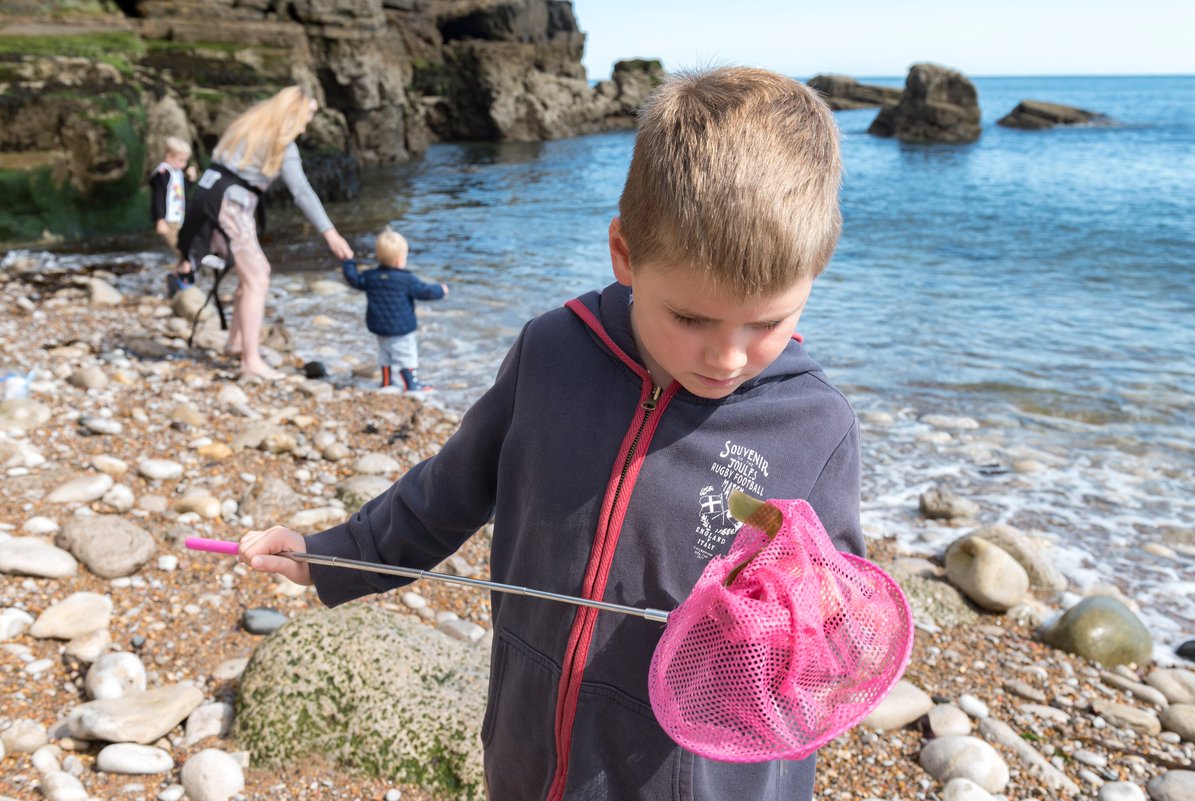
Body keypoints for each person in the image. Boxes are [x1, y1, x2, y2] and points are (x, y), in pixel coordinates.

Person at [240, 67, 861, 801]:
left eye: (765, 322)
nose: (726, 355)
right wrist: (338, 554)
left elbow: (836, 624)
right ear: (624, 254)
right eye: (691, 318)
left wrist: (795, 614)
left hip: (695, 777)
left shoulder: (812, 425)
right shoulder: (554, 353)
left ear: (813, 276)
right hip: (532, 748)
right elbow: (453, 485)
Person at [175, 86, 355, 379]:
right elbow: (302, 192)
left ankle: (235, 342)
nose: (308, 122)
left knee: (250, 277)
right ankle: (251, 359)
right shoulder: (281, 143)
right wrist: (330, 232)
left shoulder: (246, 127)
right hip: (230, 206)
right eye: (308, 114)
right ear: (293, 112)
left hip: (210, 197)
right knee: (258, 277)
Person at [341, 228, 448, 391]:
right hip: (401, 329)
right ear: (399, 260)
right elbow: (424, 291)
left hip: (379, 328)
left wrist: (348, 261)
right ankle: (411, 385)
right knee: (407, 356)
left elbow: (353, 279)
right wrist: (441, 290)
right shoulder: (406, 280)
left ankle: (386, 382)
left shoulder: (371, 277)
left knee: (385, 354)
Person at [149, 136, 197, 296]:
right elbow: (159, 198)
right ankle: (184, 286)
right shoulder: (162, 174)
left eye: (185, 161)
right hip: (169, 220)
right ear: (169, 156)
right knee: (184, 253)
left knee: (185, 252)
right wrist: (160, 219)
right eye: (181, 160)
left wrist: (191, 179)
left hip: (180, 219)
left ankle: (175, 284)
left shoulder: (177, 172)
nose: (184, 165)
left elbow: (182, 193)